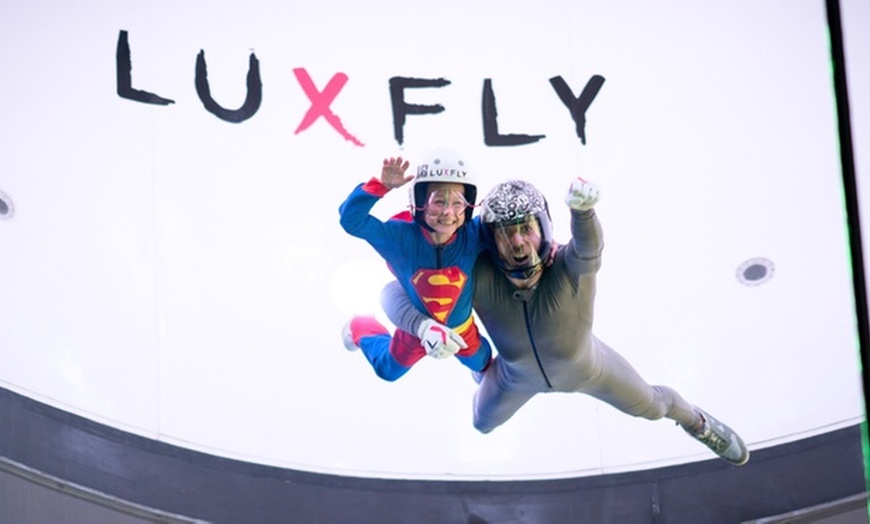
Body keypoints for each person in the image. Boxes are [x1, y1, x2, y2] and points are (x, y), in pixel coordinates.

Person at [381, 177, 750, 466]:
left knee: (654, 407)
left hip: (571, 371)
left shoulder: (568, 268)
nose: (519, 243)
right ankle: (479, 367)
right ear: (488, 241)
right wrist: (422, 325)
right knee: (481, 423)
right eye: (506, 233)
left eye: (526, 228)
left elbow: (589, 248)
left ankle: (697, 423)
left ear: (545, 228)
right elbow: (392, 291)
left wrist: (584, 213)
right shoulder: (476, 270)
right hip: (526, 374)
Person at [338, 149, 493, 382]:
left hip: (462, 328)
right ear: (419, 203)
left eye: (458, 203)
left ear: (469, 206)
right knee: (387, 370)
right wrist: (379, 186)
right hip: (415, 331)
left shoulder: (474, 233)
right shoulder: (400, 238)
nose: (448, 213)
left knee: (483, 362)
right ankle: (361, 325)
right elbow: (351, 220)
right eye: (438, 201)